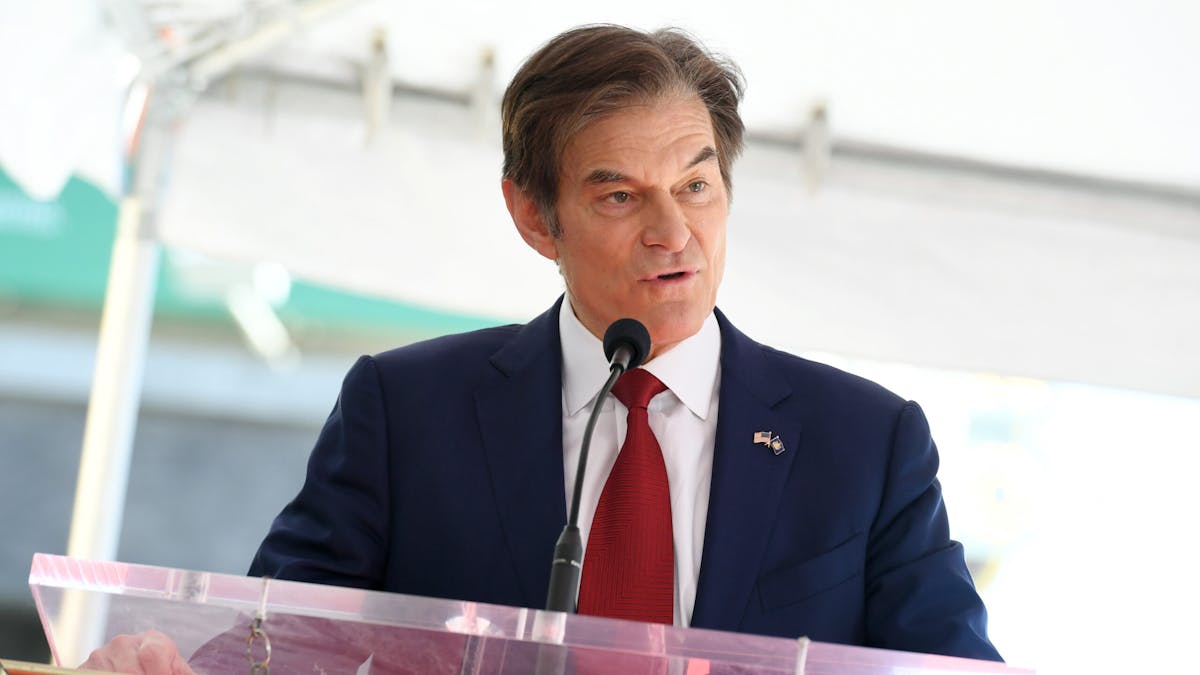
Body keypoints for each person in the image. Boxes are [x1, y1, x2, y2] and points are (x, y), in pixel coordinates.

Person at [82, 24, 1001, 672]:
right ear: (533, 215)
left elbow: (950, 666)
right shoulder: (407, 413)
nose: (673, 231)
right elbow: (274, 642)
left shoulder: (865, 442)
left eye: (696, 185)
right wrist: (168, 665)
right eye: (620, 196)